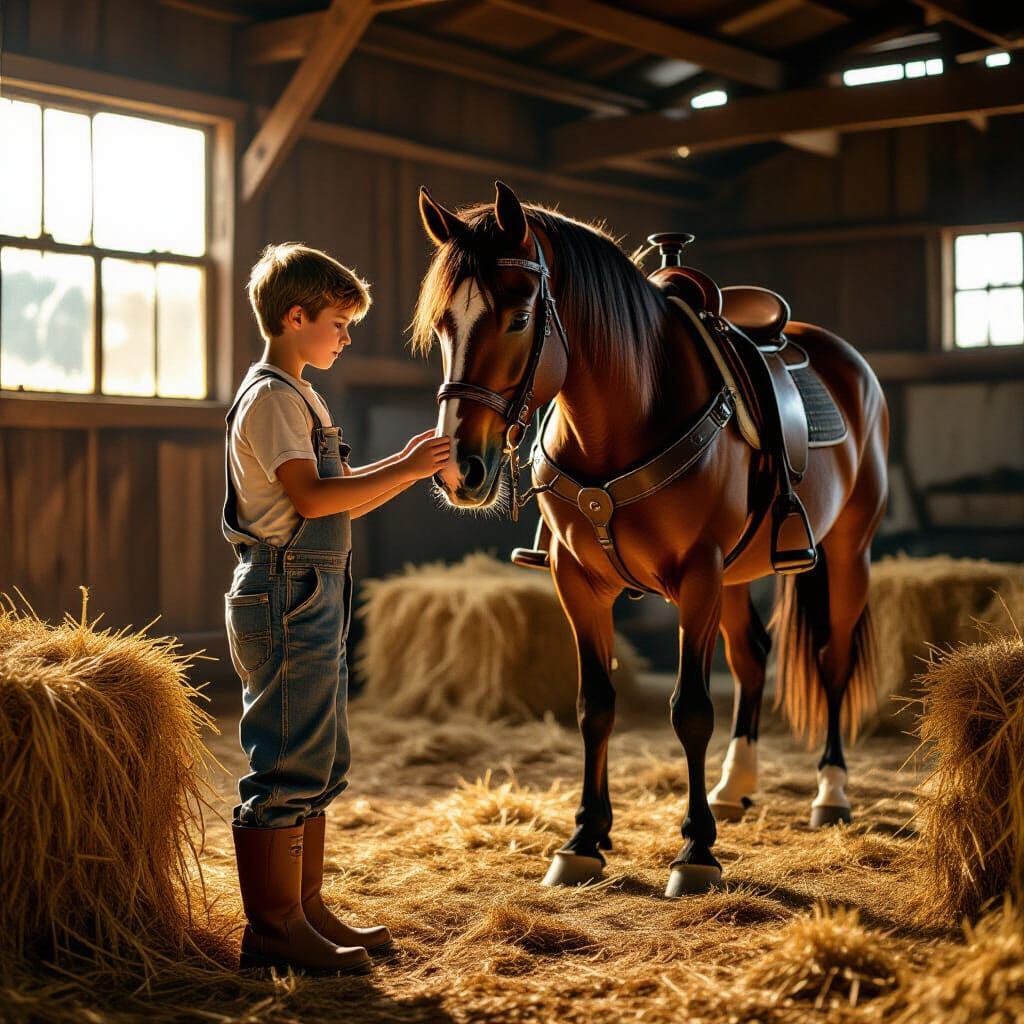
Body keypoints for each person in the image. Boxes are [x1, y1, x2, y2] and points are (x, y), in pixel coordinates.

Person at [222, 242, 450, 974]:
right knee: (285, 761)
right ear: (296, 317)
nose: (346, 336)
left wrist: (406, 475)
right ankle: (272, 929)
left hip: (313, 584)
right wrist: (405, 466)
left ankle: (305, 909)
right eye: (339, 322)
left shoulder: (303, 394)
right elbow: (314, 498)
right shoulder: (271, 399)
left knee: (318, 758)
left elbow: (342, 499)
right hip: (284, 589)